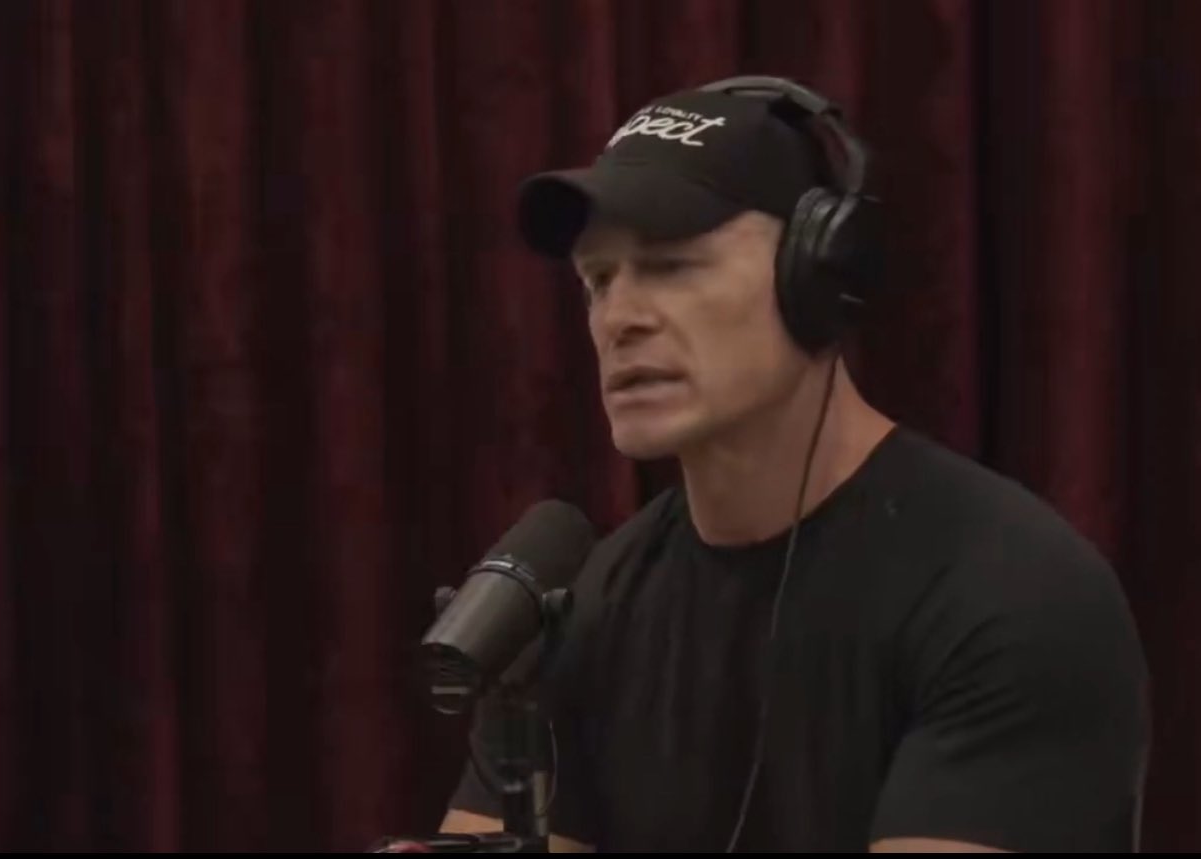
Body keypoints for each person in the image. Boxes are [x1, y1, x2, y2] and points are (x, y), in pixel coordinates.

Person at [439, 76, 1151, 853]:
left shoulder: (1010, 593)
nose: (620, 318)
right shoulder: (588, 611)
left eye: (673, 265)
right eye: (598, 280)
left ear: (817, 276)